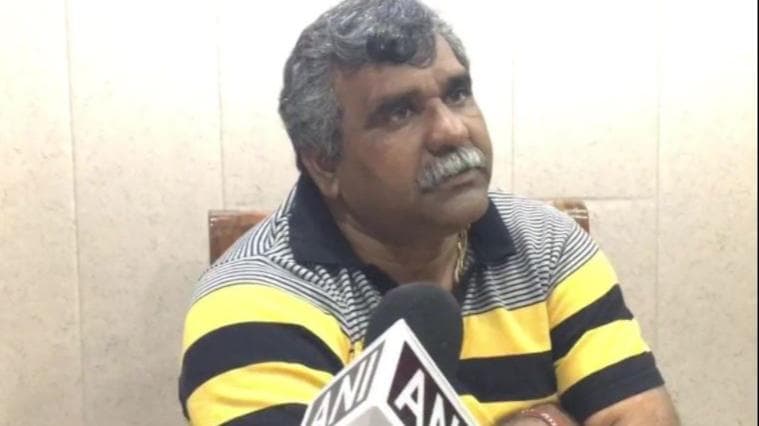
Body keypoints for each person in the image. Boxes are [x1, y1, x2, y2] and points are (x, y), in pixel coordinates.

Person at [179, 0, 680, 424]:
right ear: (324, 162)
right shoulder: (249, 299)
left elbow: (641, 414)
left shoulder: (549, 245)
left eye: (458, 94)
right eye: (400, 111)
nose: (452, 131)